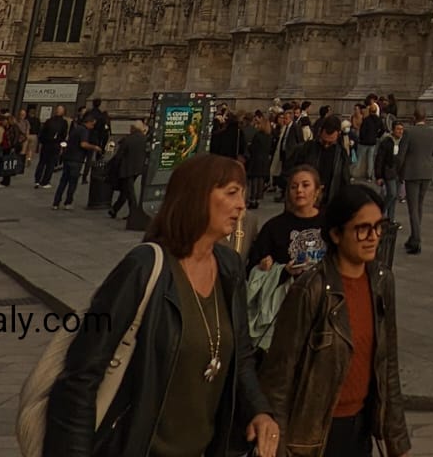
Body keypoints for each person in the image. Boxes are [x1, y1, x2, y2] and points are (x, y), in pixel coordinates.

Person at [46, 153, 277, 457]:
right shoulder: (143, 267)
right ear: (195, 196)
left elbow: (241, 358)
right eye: (232, 192)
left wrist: (259, 411)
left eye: (243, 195)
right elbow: (81, 374)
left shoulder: (230, 266)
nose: (241, 206)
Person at [260, 183, 409, 457]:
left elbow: (388, 366)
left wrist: (397, 441)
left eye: (379, 227)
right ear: (337, 234)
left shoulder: (381, 280)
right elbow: (278, 378)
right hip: (313, 432)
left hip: (361, 426)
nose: (373, 237)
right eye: (362, 228)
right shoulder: (311, 289)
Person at [251, 165, 328, 278]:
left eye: (305, 185)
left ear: (317, 191)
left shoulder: (330, 222)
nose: (299, 190)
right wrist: (269, 267)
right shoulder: (274, 227)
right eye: (294, 187)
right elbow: (253, 267)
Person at [395, 111, 433, 254]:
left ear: (413, 118)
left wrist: (399, 172)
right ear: (425, 118)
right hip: (426, 172)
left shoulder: (409, 132)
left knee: (412, 207)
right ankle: (413, 237)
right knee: (419, 206)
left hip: (412, 173)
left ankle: (416, 241)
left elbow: (401, 154)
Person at [106, 119, 149, 221]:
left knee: (129, 192)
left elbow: (119, 156)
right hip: (138, 168)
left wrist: (113, 167)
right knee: (126, 190)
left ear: (133, 128)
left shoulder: (128, 139)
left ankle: (133, 213)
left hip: (127, 169)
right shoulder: (144, 139)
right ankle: (114, 209)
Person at [243, 114, 275, 209]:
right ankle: (257, 198)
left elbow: (253, 148)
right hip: (264, 160)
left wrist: (249, 147)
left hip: (256, 159)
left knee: (253, 179)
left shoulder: (258, 135)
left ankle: (252, 199)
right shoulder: (269, 136)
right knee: (260, 179)